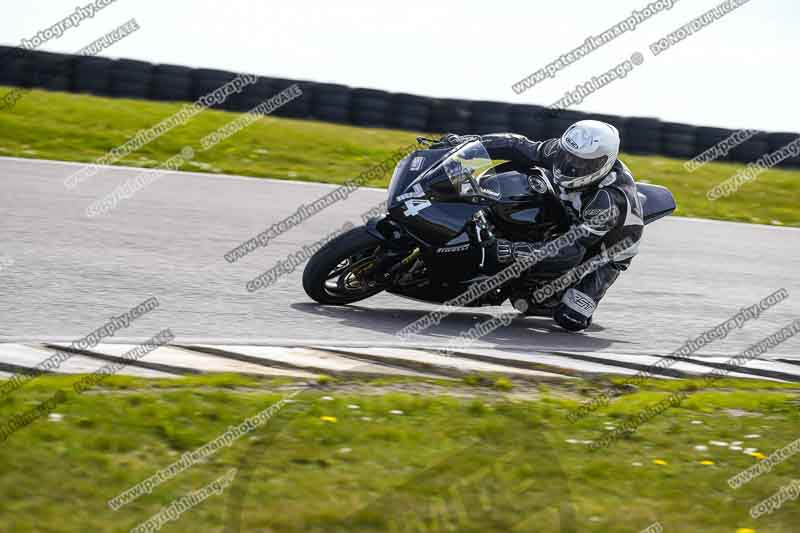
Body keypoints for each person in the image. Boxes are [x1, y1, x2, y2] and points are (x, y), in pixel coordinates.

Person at [442, 120, 644, 332]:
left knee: (569, 317)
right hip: (572, 207)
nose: (571, 166)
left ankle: (557, 291)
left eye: (582, 164)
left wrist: (516, 251)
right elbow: (517, 146)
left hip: (606, 249)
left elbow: (572, 249)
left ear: (603, 163)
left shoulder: (607, 202)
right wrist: (469, 144)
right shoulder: (561, 152)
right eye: (568, 157)